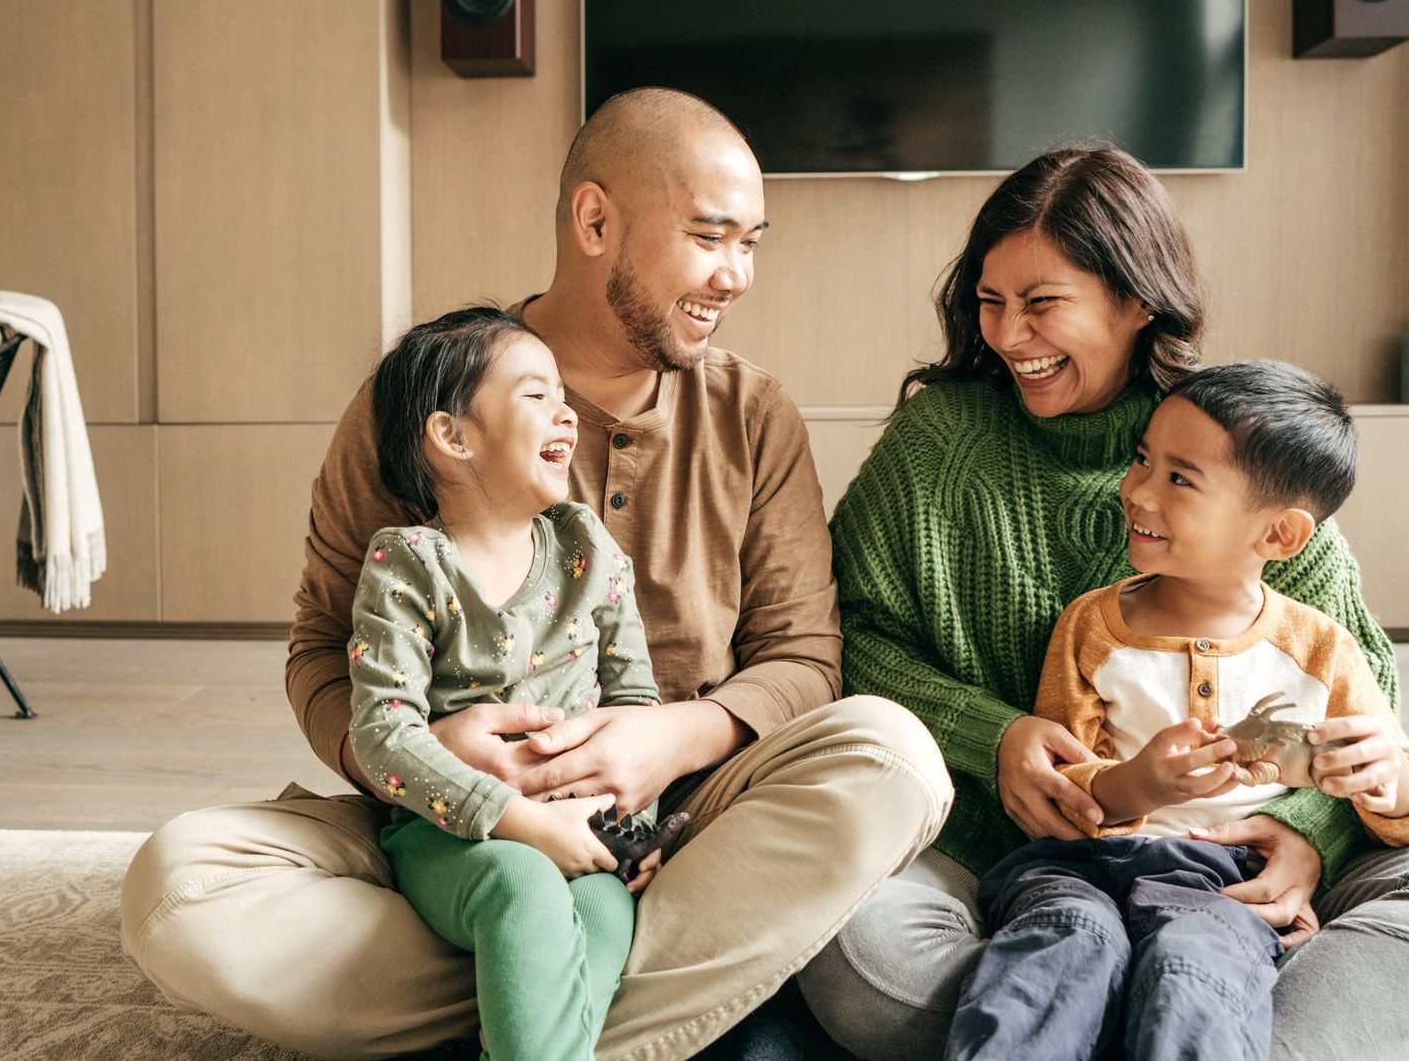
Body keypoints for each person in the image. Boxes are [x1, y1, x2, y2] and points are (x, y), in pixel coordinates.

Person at [121, 88, 951, 1061]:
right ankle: (607, 993)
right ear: (595, 221)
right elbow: (320, 651)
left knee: (892, 757)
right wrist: (436, 755)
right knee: (180, 885)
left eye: (752, 243)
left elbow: (806, 661)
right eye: (711, 238)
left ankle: (521, 1004)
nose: (738, 275)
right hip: (447, 826)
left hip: (673, 832)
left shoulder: (755, 414)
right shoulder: (427, 400)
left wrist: (663, 740)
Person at [797, 144, 1409, 1061]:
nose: (1007, 335)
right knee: (851, 934)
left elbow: (1356, 695)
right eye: (989, 303)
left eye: (1042, 304)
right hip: (1005, 862)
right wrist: (988, 734)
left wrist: (1302, 832)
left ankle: (1091, 1021)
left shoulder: (1241, 444)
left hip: (1228, 875)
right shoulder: (940, 440)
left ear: (1136, 300)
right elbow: (846, 638)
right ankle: (1226, 1027)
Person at [948, 360, 1409, 1061]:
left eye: (1179, 478)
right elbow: (1066, 789)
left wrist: (1386, 772)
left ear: (1279, 536)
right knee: (1055, 949)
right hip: (1077, 868)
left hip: (1225, 884)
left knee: (1196, 971)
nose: (1137, 491)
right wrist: (1139, 785)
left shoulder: (1321, 648)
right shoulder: (1091, 626)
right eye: (1143, 460)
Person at [350, 306, 677, 1061]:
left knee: (600, 915)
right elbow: (381, 733)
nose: (566, 411)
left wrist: (630, 820)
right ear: (453, 435)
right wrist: (519, 823)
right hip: (451, 836)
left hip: (585, 823)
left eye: (563, 394)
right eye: (536, 394)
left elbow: (636, 704)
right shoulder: (406, 563)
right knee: (524, 890)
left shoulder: (586, 547)